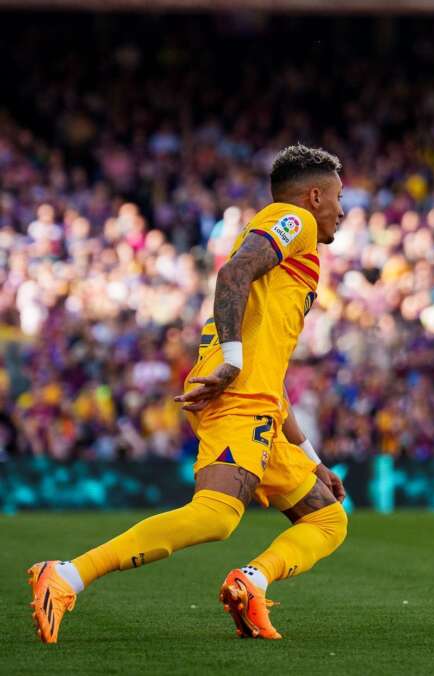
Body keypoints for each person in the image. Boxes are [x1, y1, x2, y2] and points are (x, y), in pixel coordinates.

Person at [28, 144, 350, 643]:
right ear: (313, 196)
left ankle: (252, 584)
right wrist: (234, 360)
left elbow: (272, 371)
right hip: (240, 393)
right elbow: (233, 272)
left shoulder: (290, 263)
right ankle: (67, 576)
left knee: (328, 517)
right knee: (217, 516)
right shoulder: (295, 221)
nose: (341, 211)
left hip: (260, 400)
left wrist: (312, 457)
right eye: (337, 197)